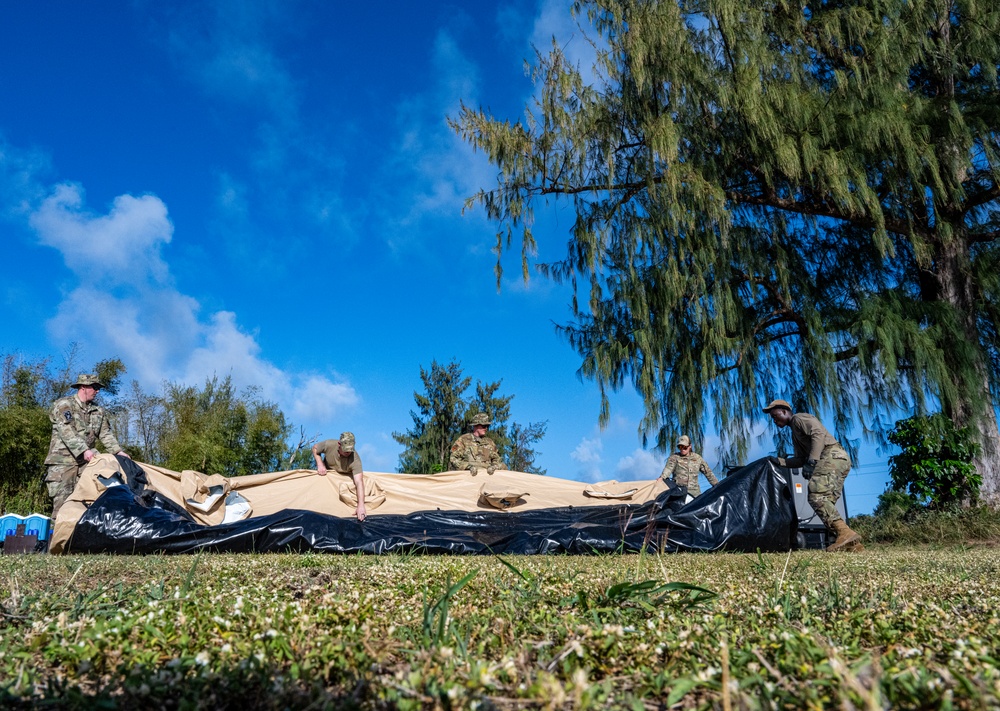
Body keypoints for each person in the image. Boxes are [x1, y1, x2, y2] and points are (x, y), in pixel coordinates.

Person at [762, 399, 861, 552]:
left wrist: (812, 461)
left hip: (831, 455)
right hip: (837, 458)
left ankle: (844, 533)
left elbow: (818, 433)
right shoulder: (795, 434)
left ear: (784, 411)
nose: (775, 421)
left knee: (816, 495)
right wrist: (778, 461)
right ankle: (852, 545)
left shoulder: (799, 419)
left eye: (775, 416)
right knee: (825, 501)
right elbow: (800, 459)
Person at [44, 374, 131, 519]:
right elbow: (67, 431)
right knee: (63, 506)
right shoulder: (64, 405)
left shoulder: (98, 411)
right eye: (95, 387)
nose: (97, 391)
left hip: (86, 463)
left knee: (89, 501)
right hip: (63, 463)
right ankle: (58, 539)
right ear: (83, 387)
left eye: (98, 388)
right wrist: (84, 450)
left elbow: (105, 434)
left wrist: (118, 452)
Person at [312, 432, 366, 521]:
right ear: (339, 444)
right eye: (345, 450)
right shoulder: (329, 444)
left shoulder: (355, 459)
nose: (348, 452)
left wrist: (361, 505)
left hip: (344, 481)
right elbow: (315, 448)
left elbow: (359, 481)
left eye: (350, 450)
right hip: (326, 477)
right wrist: (320, 464)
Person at [660, 435, 719, 500]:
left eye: (684, 447)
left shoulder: (697, 458)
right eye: (680, 447)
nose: (682, 449)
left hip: (695, 495)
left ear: (690, 446)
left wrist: (717, 486)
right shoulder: (674, 458)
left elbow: (708, 473)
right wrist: (662, 478)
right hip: (679, 493)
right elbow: (668, 469)